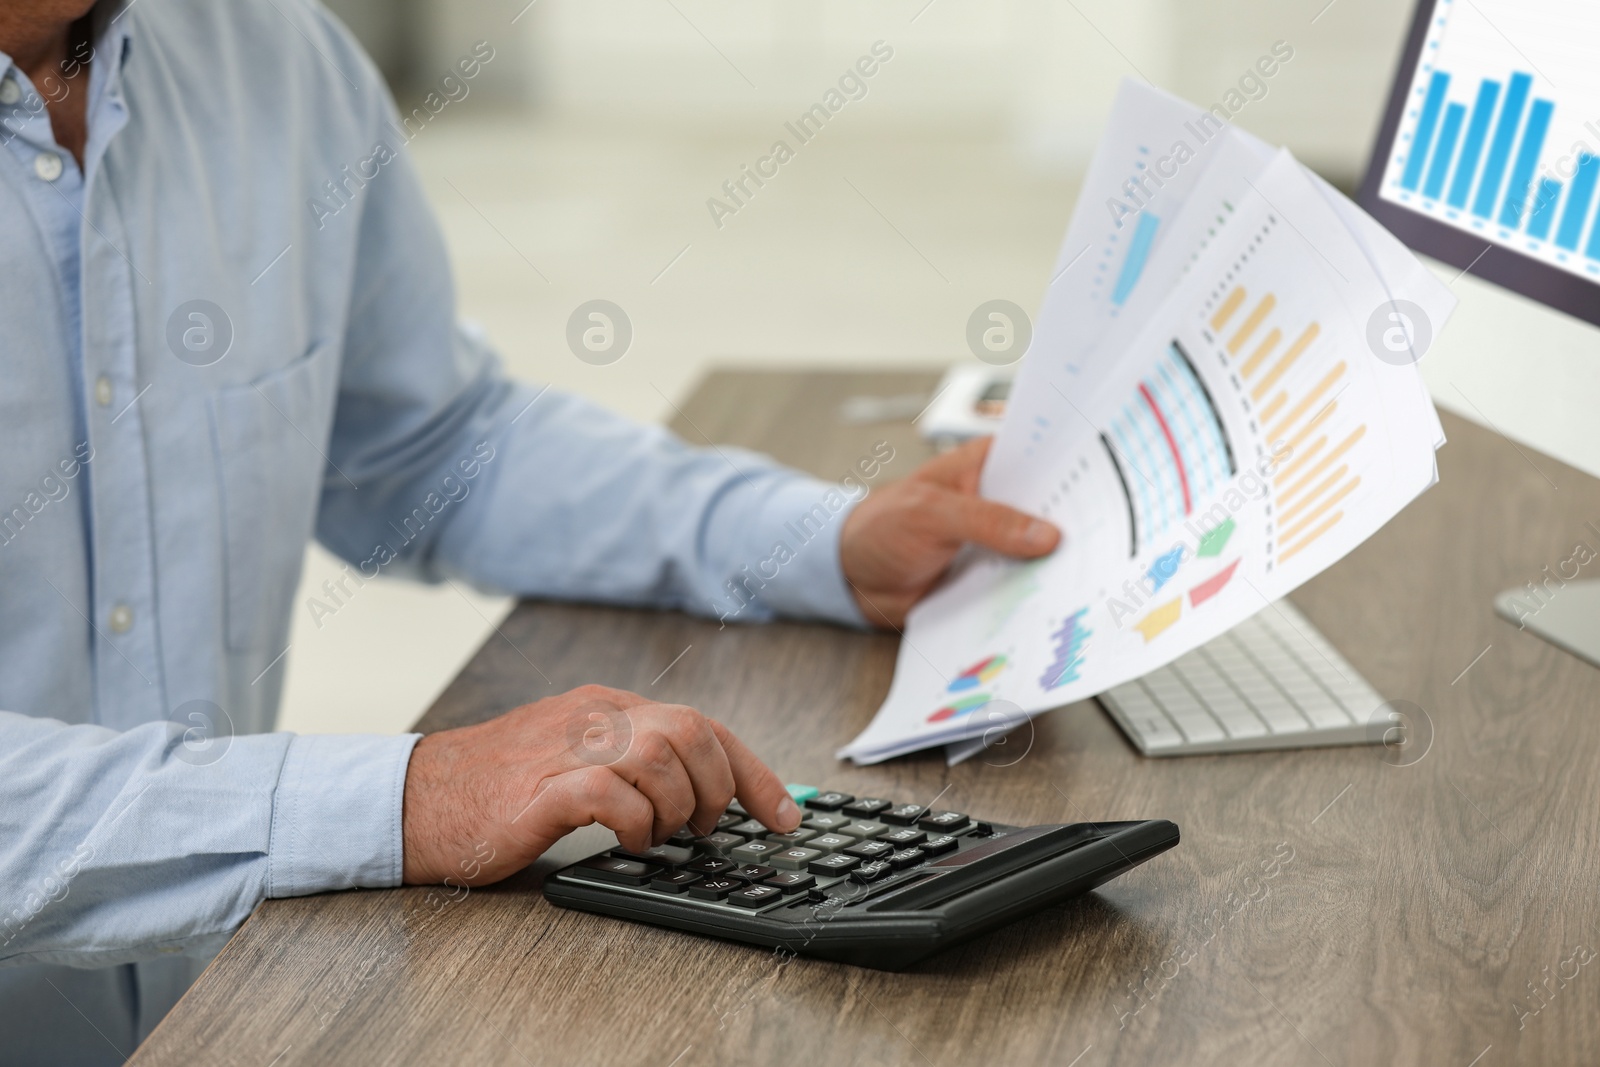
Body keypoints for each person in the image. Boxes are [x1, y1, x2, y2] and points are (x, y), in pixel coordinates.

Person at [0, 0, 1061, 1061]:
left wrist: (821, 540)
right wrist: (409, 795)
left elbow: (434, 445)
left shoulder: (269, 52)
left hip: (213, 1007)